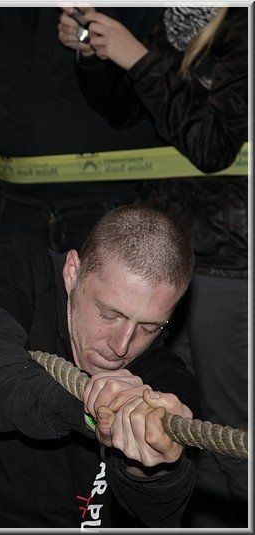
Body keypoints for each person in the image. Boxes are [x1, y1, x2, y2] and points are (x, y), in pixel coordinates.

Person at [0, 205, 200, 528]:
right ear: (72, 272)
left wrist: (153, 463)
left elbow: (157, 514)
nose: (122, 345)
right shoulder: (19, 267)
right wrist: (87, 409)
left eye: (148, 327)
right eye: (109, 315)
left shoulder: (161, 381)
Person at [58, 6, 247, 527]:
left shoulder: (243, 27)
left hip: (231, 261)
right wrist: (96, 56)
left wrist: (137, 58)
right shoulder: (175, 20)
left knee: (231, 434)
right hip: (167, 263)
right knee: (175, 425)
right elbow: (129, 117)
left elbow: (213, 145)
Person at [0, 7, 164, 302]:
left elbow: (141, 105)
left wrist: (93, 54)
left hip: (108, 205)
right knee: (24, 323)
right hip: (20, 208)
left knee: (108, 321)